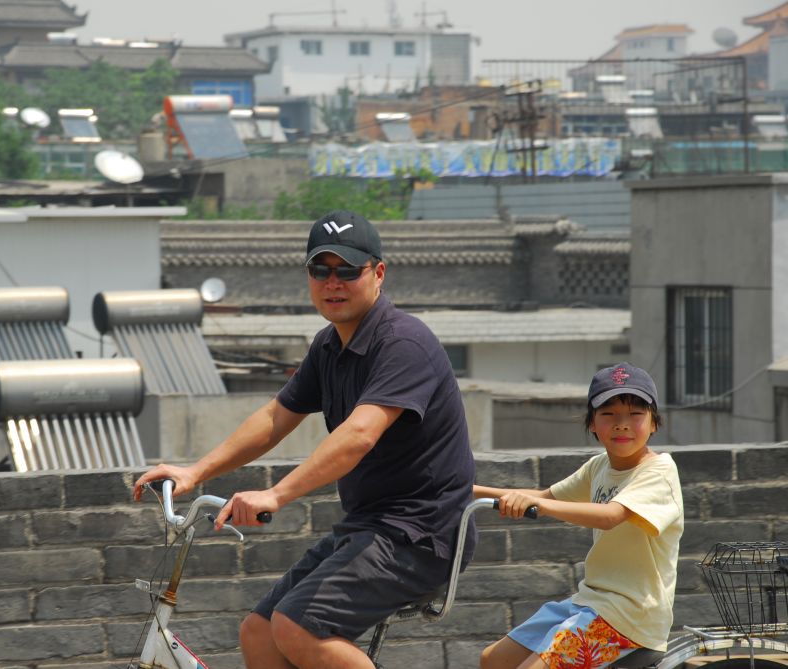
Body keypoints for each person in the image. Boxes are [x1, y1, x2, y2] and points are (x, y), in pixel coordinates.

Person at [134, 209, 477, 669]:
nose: (333, 282)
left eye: (347, 270)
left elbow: (359, 435)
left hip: (421, 535)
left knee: (298, 627)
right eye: (320, 270)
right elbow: (276, 417)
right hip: (370, 527)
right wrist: (195, 472)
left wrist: (275, 494)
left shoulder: (403, 343)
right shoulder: (328, 346)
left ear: (378, 273)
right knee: (259, 632)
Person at [475, 362, 683, 669]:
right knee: (494, 660)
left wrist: (540, 507)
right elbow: (545, 496)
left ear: (654, 423)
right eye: (608, 414)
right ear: (592, 423)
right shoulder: (600, 466)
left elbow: (610, 516)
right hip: (590, 602)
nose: (622, 424)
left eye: (635, 414)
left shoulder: (658, 471)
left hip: (630, 617)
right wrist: (466, 490)